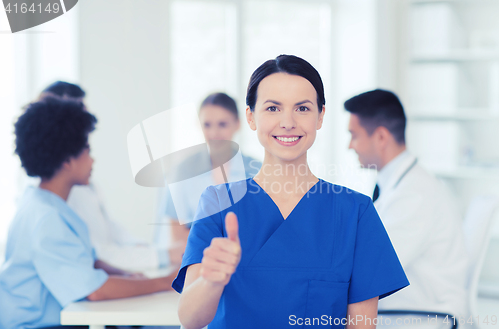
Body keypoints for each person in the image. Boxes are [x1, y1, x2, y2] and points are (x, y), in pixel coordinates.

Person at [172, 55, 409, 329]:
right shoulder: (217, 203)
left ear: (320, 116)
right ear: (251, 117)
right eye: (272, 108)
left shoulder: (356, 212)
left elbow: (361, 326)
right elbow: (189, 320)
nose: (287, 122)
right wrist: (211, 281)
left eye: (303, 109)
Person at [0, 97, 176, 329]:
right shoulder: (46, 218)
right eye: (87, 150)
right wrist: (163, 282)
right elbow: (95, 291)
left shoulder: (44, 204)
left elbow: (89, 262)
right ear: (67, 161)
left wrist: (130, 275)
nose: (92, 159)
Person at [345, 89, 468, 318]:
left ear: (381, 137)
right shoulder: (400, 185)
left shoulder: (414, 194)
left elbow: (373, 269)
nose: (350, 146)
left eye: (354, 135)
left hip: (421, 316)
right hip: (402, 310)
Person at [40, 81, 183, 269]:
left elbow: (109, 229)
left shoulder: (82, 178)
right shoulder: (57, 192)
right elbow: (95, 253)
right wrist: (160, 257)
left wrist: (148, 249)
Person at [155, 93, 262, 255]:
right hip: (196, 260)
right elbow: (177, 234)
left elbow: (262, 229)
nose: (214, 133)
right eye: (207, 124)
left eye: (222, 124)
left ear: (238, 124)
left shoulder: (257, 171)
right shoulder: (182, 171)